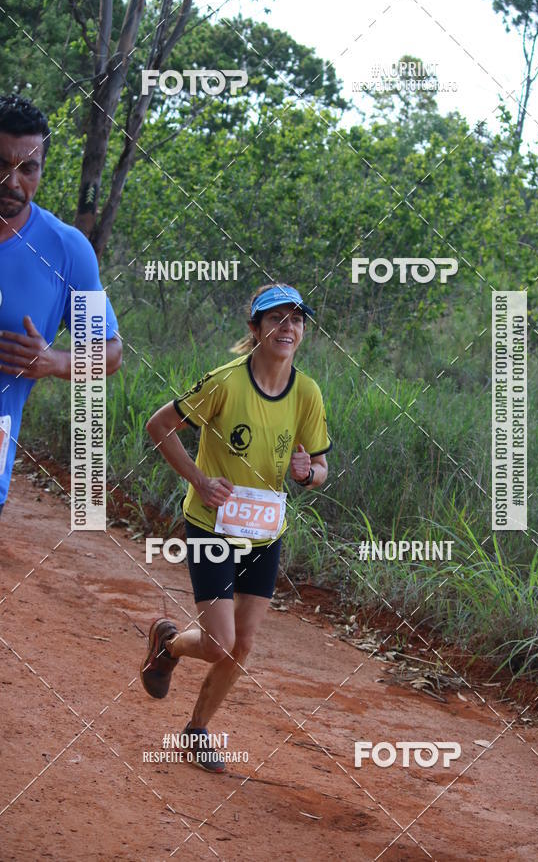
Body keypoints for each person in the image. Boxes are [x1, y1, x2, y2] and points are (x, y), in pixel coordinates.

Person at [141, 283, 331, 772]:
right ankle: (168, 645)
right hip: (211, 526)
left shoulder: (307, 392)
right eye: (276, 319)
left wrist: (307, 473)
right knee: (219, 642)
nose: (287, 328)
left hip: (265, 533)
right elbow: (158, 426)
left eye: (296, 320)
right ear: (256, 328)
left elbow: (321, 469)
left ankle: (197, 730)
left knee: (241, 643)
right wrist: (201, 482)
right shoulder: (225, 382)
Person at [0, 95, 122, 516]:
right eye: (1, 164)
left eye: (27, 168)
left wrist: (54, 361)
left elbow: (110, 354)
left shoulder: (67, 250)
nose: (12, 182)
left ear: (42, 169)